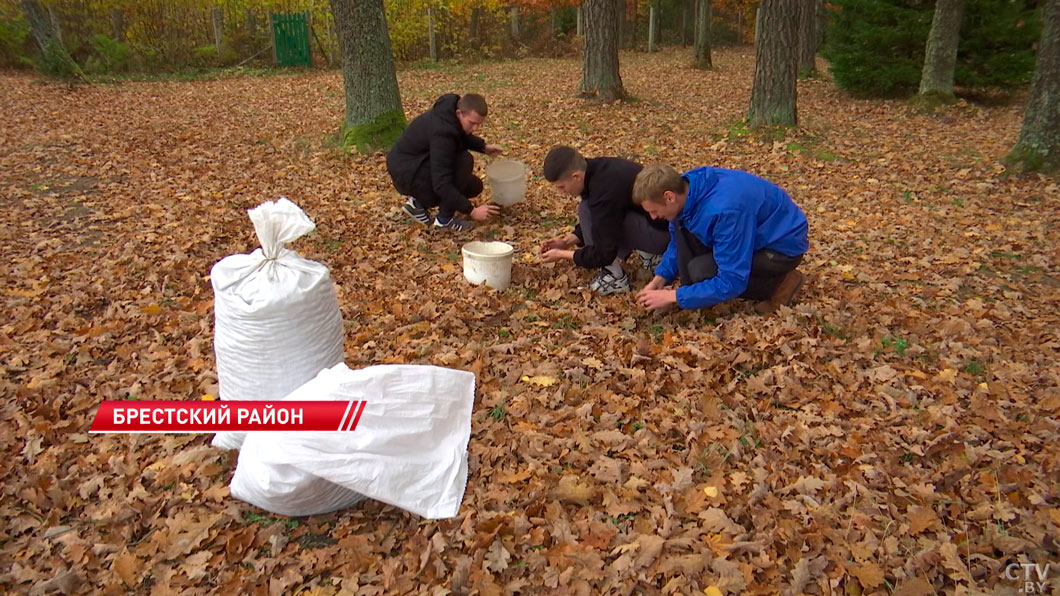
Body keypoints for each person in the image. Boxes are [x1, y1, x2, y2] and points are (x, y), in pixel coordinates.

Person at [632, 164, 809, 314]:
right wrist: (659, 280)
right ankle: (691, 294)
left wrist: (674, 296)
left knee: (702, 271)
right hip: (755, 232)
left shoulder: (725, 211)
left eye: (653, 211)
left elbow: (732, 281)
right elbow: (678, 241)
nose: (653, 217)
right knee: (685, 237)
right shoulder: (686, 189)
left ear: (669, 197)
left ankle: (782, 282)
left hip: (781, 248)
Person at [538, 146, 670, 295]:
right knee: (588, 209)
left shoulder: (604, 192)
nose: (561, 193)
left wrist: (561, 255)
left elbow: (604, 252)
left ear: (576, 176)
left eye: (562, 187)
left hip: (665, 237)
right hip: (656, 224)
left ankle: (615, 277)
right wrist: (567, 242)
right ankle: (649, 254)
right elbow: (602, 217)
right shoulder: (596, 170)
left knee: (585, 209)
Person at [386, 93, 504, 232]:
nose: (475, 129)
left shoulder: (449, 117)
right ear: (459, 113)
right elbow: (441, 183)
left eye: (479, 124)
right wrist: (472, 211)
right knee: (464, 161)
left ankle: (417, 205)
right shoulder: (442, 133)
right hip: (406, 172)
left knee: (473, 186)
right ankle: (444, 221)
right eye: (472, 123)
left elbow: (458, 135)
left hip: (415, 164)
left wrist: (483, 147)